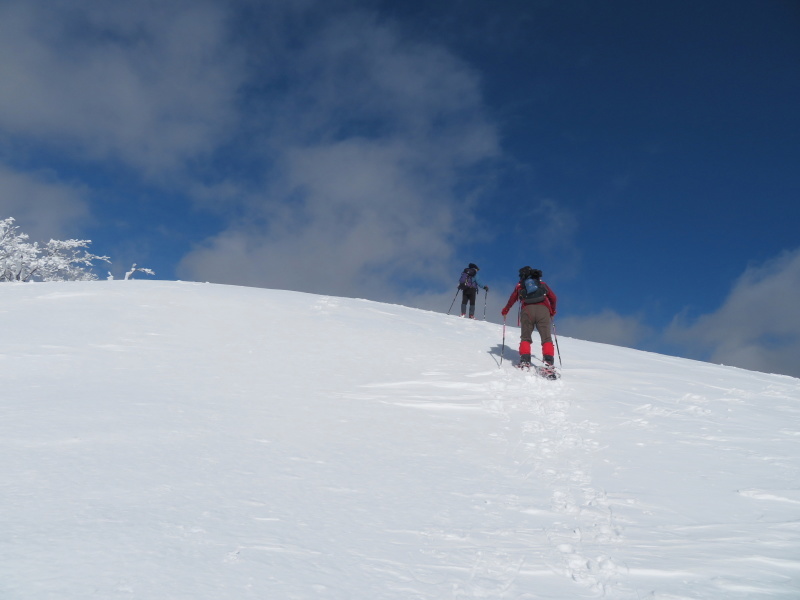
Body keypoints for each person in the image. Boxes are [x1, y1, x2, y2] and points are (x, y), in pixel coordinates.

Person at [501, 267, 557, 368]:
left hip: (527, 311)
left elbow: (512, 298)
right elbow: (553, 297)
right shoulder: (542, 284)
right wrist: (552, 311)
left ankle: (525, 361)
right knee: (546, 338)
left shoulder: (520, 286)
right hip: (543, 310)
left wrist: (506, 310)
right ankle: (548, 362)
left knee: (525, 337)